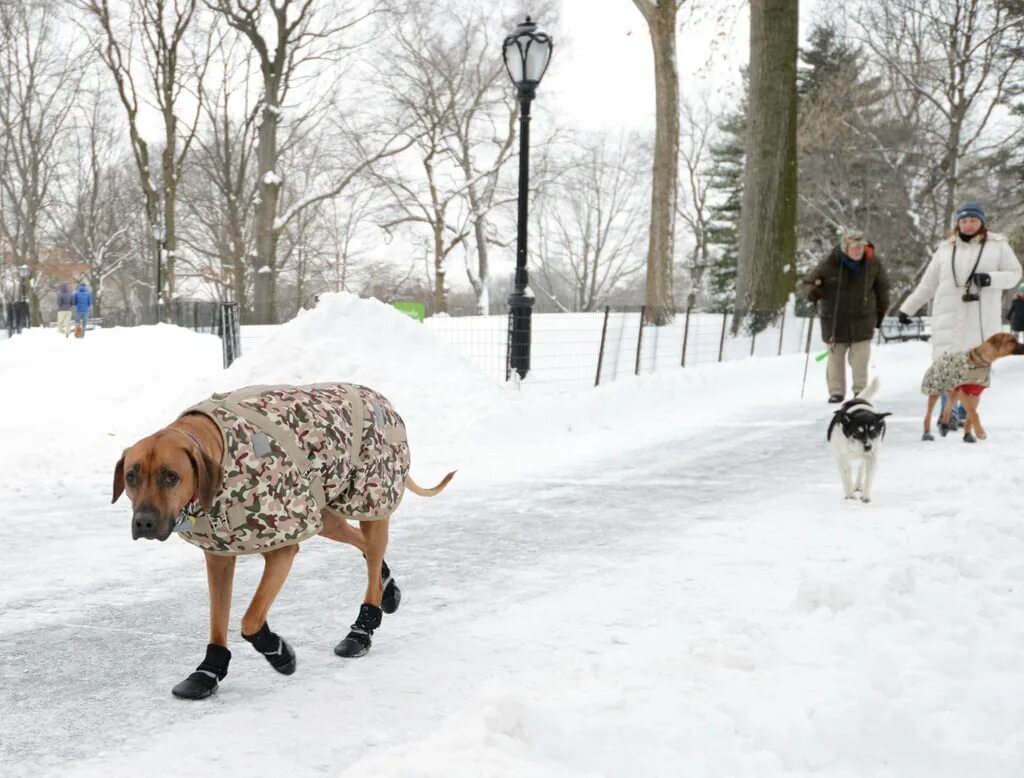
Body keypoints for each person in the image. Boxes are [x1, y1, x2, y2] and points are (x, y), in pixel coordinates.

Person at [897, 202, 1022, 421]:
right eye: (964, 221)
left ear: (982, 222)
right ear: (958, 223)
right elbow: (928, 284)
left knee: (975, 366)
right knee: (946, 365)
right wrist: (908, 308)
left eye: (973, 220)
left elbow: (1014, 274)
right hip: (949, 316)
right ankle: (949, 412)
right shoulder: (945, 249)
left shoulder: (998, 246)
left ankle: (965, 410)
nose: (968, 225)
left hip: (980, 318)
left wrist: (990, 278)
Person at [804, 230, 891, 403]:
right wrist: (812, 291)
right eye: (855, 247)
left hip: (863, 318)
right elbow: (808, 283)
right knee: (835, 357)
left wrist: (881, 312)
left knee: (860, 358)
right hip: (834, 319)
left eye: (861, 247)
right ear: (845, 248)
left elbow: (883, 288)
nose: (859, 251)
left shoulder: (873, 263)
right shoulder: (829, 263)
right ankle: (836, 392)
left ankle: (860, 391)